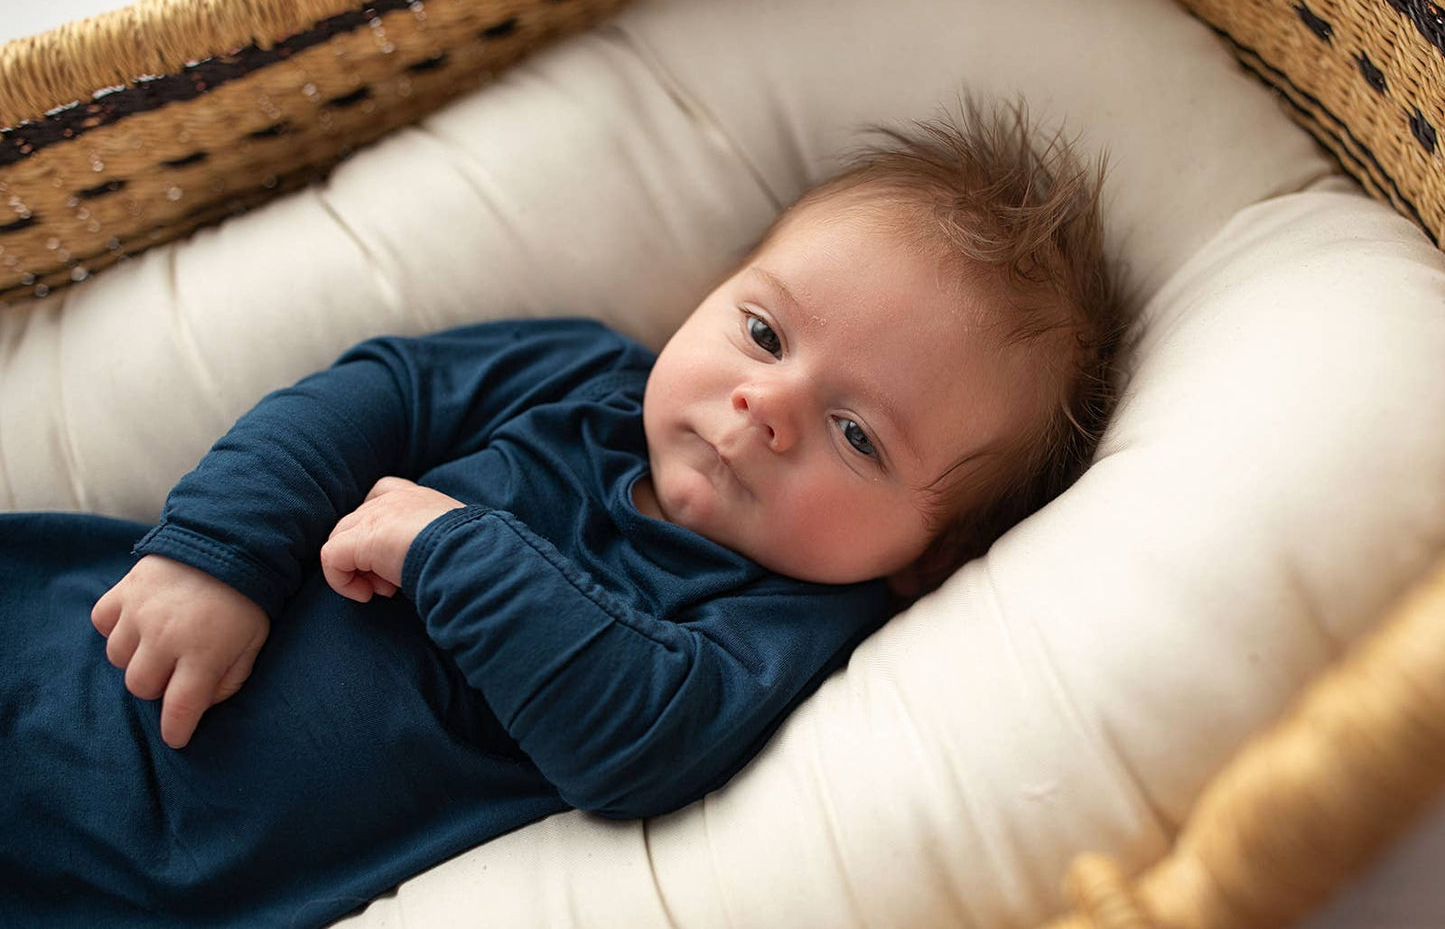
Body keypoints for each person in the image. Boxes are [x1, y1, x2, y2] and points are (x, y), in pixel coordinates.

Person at [0, 104, 1127, 927]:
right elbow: (372, 392)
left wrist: (445, 546)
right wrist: (219, 554)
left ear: (930, 557)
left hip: (166, 881)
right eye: (765, 334)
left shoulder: (778, 624)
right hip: (79, 638)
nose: (767, 406)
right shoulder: (578, 375)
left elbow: (635, 737)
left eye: (858, 435)